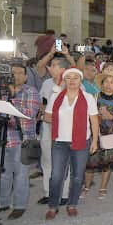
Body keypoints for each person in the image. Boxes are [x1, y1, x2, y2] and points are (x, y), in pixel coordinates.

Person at [44, 68, 100, 219]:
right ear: (64, 80)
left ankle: (72, 204)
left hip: (81, 142)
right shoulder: (56, 96)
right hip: (60, 142)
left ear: (80, 80)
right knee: (56, 176)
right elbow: (47, 117)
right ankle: (53, 206)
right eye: (69, 77)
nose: (72, 80)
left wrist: (95, 140)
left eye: (76, 77)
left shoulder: (88, 98)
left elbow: (94, 120)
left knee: (77, 176)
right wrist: (64, 119)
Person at [0, 63, 41, 220]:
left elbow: (29, 113)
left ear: (25, 76)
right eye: (13, 72)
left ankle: (19, 206)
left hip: (23, 139)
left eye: (19, 73)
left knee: (21, 175)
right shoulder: (2, 91)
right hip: (4, 137)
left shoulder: (31, 91)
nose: (15, 75)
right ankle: (2, 202)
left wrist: (9, 105)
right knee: (4, 174)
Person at [38, 56, 72, 204]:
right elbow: (42, 102)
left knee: (64, 162)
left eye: (53, 65)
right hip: (48, 126)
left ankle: (64, 194)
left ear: (63, 69)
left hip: (65, 129)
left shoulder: (73, 83)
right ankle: (48, 193)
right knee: (47, 161)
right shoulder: (47, 83)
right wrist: (43, 109)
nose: (49, 68)